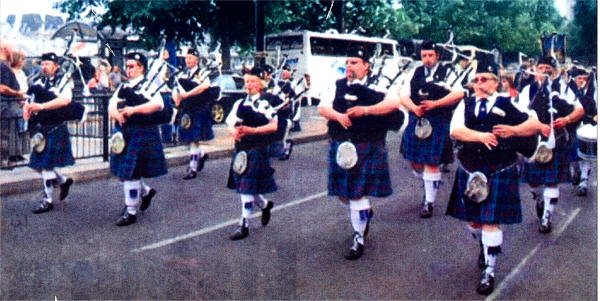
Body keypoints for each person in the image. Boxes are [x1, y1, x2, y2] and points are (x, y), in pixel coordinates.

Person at [446, 60, 542, 295]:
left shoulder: (508, 103)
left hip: (499, 169)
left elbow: (534, 124)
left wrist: (514, 131)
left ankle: (489, 270)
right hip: (470, 169)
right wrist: (480, 136)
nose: (479, 83)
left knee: (491, 222)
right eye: (476, 79)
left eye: (485, 79)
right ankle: (483, 246)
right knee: (474, 223)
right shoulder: (465, 104)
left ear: (496, 82)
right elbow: (455, 130)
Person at [359, 39, 465, 218]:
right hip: (417, 120)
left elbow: (459, 93)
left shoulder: (448, 72)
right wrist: (414, 108)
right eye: (424, 55)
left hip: (438, 120)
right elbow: (403, 95)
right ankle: (428, 183)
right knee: (415, 163)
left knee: (431, 163)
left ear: (437, 56)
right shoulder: (414, 73)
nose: (427, 59)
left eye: (431, 55)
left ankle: (428, 202)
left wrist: (436, 104)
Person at [322, 46, 395, 260]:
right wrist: (337, 116)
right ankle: (363, 216)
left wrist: (367, 110)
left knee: (357, 194)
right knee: (344, 195)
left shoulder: (379, 84)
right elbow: (323, 107)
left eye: (354, 62)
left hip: (367, 144)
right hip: (341, 144)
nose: (349, 66)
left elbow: (393, 103)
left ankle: (359, 237)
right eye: (347, 62)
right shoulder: (337, 84)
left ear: (366, 66)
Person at [518, 56, 584, 233]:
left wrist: (567, 119)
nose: (544, 70)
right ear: (535, 70)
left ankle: (547, 217)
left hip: (557, 141)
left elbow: (580, 109)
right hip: (532, 142)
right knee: (533, 182)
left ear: (554, 70)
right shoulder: (527, 90)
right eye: (541, 67)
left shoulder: (563, 88)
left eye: (548, 67)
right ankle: (539, 198)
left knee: (552, 181)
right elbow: (520, 113)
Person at [108, 52, 167, 226]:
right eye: (127, 66)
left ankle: (131, 210)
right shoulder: (123, 86)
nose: (128, 69)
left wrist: (134, 110)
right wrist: (116, 116)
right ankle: (146, 192)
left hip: (142, 131)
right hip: (124, 131)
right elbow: (112, 105)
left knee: (131, 174)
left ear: (142, 67)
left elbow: (158, 104)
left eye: (132, 66)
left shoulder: (149, 85)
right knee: (127, 172)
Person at [225, 66, 278, 240]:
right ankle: (265, 205)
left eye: (252, 81)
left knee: (246, 188)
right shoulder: (239, 103)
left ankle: (244, 224)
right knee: (247, 187)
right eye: (246, 81)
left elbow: (274, 126)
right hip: (241, 150)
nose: (248, 85)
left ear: (261, 84)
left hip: (257, 149)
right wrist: (234, 132)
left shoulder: (266, 103)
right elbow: (230, 123)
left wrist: (252, 130)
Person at [23, 52, 75, 213]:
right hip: (40, 127)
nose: (44, 67)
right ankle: (63, 181)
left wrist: (42, 107)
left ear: (56, 66)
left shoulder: (65, 81)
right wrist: (27, 108)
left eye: (48, 64)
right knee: (37, 165)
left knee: (45, 166)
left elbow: (64, 100)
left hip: (56, 126)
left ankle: (47, 199)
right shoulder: (38, 82)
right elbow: (29, 99)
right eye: (43, 64)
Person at [172, 48, 214, 180]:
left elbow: (204, 86)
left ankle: (193, 167)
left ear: (196, 60)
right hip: (186, 108)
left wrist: (188, 94)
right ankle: (200, 155)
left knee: (194, 138)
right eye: (187, 58)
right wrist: (177, 99)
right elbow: (175, 88)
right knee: (187, 138)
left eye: (190, 58)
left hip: (198, 108)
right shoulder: (182, 74)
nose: (188, 60)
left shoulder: (203, 73)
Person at [569, 68, 596, 196]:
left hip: (588, 126)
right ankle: (576, 171)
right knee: (573, 155)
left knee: (585, 154)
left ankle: (584, 182)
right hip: (572, 127)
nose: (581, 81)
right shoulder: (570, 91)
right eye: (579, 78)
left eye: (584, 78)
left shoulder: (594, 91)